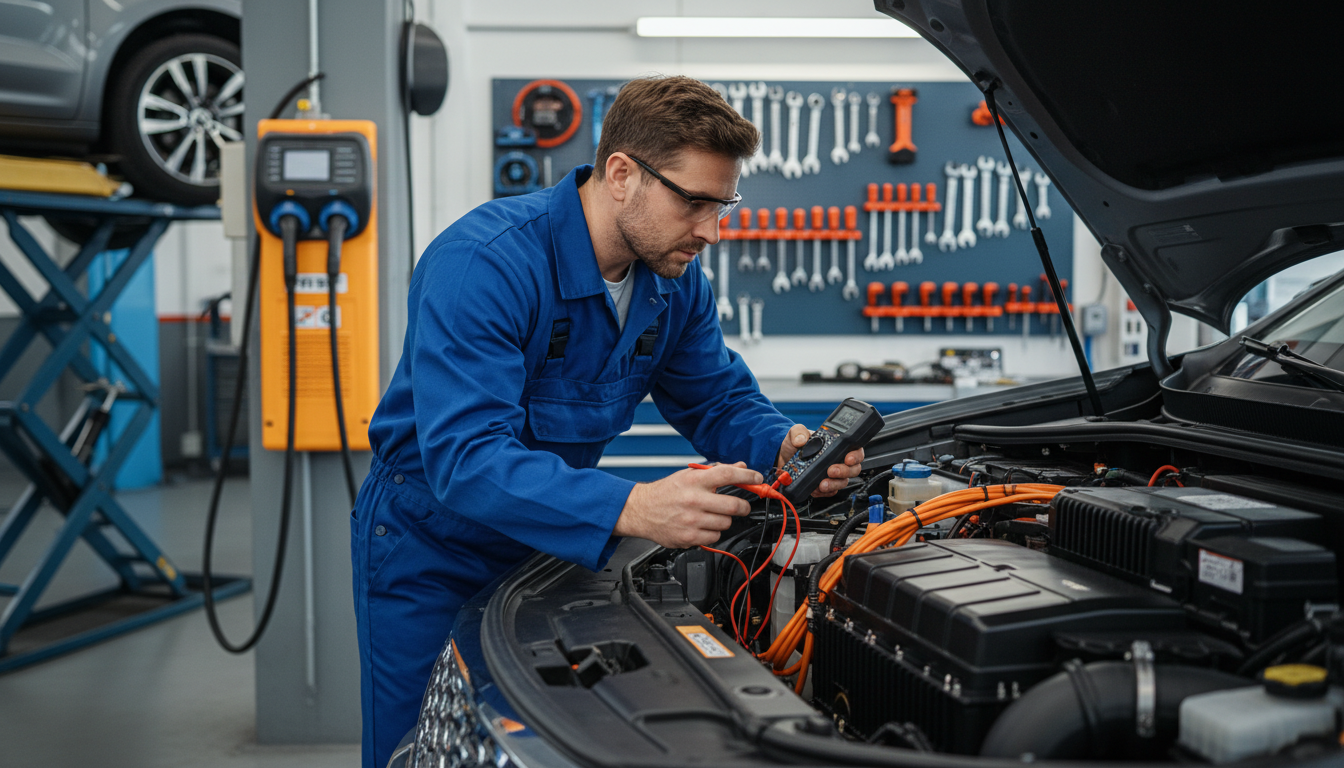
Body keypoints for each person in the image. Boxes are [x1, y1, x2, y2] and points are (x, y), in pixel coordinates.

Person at [350, 75, 864, 768]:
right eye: (693, 203)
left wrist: (783, 447)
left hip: (551, 549)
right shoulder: (484, 264)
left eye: (723, 205)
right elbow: (467, 458)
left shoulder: (674, 284)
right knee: (421, 747)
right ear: (622, 174)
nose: (711, 232)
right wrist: (634, 506)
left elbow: (716, 400)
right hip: (432, 550)